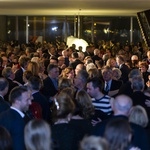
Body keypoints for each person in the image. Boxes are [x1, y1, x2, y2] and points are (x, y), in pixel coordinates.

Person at [0, 86, 32, 150]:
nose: (30, 103)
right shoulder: (18, 121)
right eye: (27, 100)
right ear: (17, 101)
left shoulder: (3, 115)